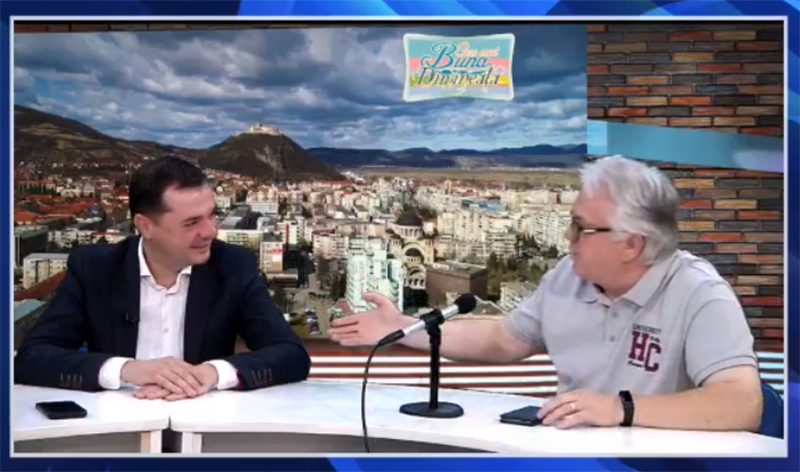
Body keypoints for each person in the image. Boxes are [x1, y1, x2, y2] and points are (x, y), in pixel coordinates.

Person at [330, 155, 763, 432]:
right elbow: (503, 339)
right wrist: (404, 328)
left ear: (632, 244)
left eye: (582, 228)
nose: (567, 237)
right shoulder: (567, 277)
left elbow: (741, 402)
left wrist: (620, 409)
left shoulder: (699, 293)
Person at [15, 156, 310, 401]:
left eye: (212, 215)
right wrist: (127, 370)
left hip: (201, 425)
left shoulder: (232, 265)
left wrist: (211, 373)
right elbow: (32, 358)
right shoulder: (95, 268)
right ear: (145, 226)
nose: (210, 231)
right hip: (115, 427)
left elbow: (291, 355)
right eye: (191, 223)